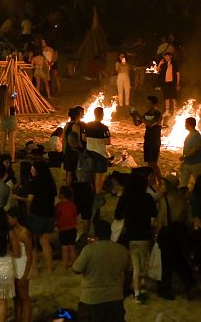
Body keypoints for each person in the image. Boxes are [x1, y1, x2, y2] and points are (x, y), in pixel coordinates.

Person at [72, 220, 129, 321]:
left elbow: (76, 269)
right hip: (115, 298)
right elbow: (129, 272)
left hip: (91, 299)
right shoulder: (122, 250)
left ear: (95, 234)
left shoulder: (89, 249)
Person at [114, 173, 157, 303]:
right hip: (144, 235)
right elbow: (154, 213)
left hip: (130, 235)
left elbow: (117, 215)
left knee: (135, 264)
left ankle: (137, 291)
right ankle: (140, 290)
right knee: (143, 264)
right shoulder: (147, 197)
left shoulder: (125, 198)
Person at [7, 207, 34, 322]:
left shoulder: (25, 233)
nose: (7, 220)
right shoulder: (12, 231)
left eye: (9, 218)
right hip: (14, 265)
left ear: (15, 218)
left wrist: (25, 275)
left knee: (24, 298)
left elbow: (30, 255)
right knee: (16, 297)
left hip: (22, 266)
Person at [131, 96, 163, 181]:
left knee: (153, 163)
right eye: (147, 103)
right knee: (149, 163)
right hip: (148, 139)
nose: (147, 105)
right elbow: (137, 123)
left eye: (149, 103)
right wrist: (133, 116)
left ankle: (160, 181)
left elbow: (150, 124)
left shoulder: (158, 114)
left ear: (154, 104)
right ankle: (153, 180)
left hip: (155, 141)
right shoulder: (148, 113)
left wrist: (138, 115)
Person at [84, 106, 112, 194]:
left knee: (90, 174)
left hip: (89, 151)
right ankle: (98, 193)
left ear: (94, 114)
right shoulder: (104, 128)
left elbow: (83, 137)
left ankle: (89, 192)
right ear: (102, 115)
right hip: (100, 153)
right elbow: (108, 142)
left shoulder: (87, 125)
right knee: (99, 175)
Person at [55, 185, 79, 271]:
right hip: (72, 229)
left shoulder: (58, 206)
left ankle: (65, 267)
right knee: (72, 247)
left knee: (64, 249)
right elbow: (75, 216)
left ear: (61, 194)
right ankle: (75, 265)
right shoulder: (73, 205)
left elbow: (56, 217)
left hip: (63, 230)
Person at [0, 84, 17, 159]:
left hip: (3, 121)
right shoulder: (11, 100)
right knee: (11, 142)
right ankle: (12, 159)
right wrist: (13, 87)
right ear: (7, 92)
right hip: (11, 121)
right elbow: (15, 93)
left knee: (2, 141)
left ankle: (2, 157)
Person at [180, 117, 201, 188]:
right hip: (187, 163)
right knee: (183, 183)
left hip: (195, 164)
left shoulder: (196, 136)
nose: (185, 125)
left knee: (198, 183)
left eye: (186, 123)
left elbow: (194, 149)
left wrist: (184, 156)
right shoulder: (190, 134)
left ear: (189, 124)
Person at [157, 52, 179, 116]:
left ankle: (175, 111)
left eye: (167, 56)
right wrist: (160, 63)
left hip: (172, 83)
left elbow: (178, 74)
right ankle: (167, 111)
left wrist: (177, 84)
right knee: (166, 97)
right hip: (165, 83)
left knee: (173, 97)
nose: (166, 58)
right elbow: (157, 70)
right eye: (165, 57)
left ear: (170, 57)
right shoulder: (164, 64)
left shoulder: (174, 64)